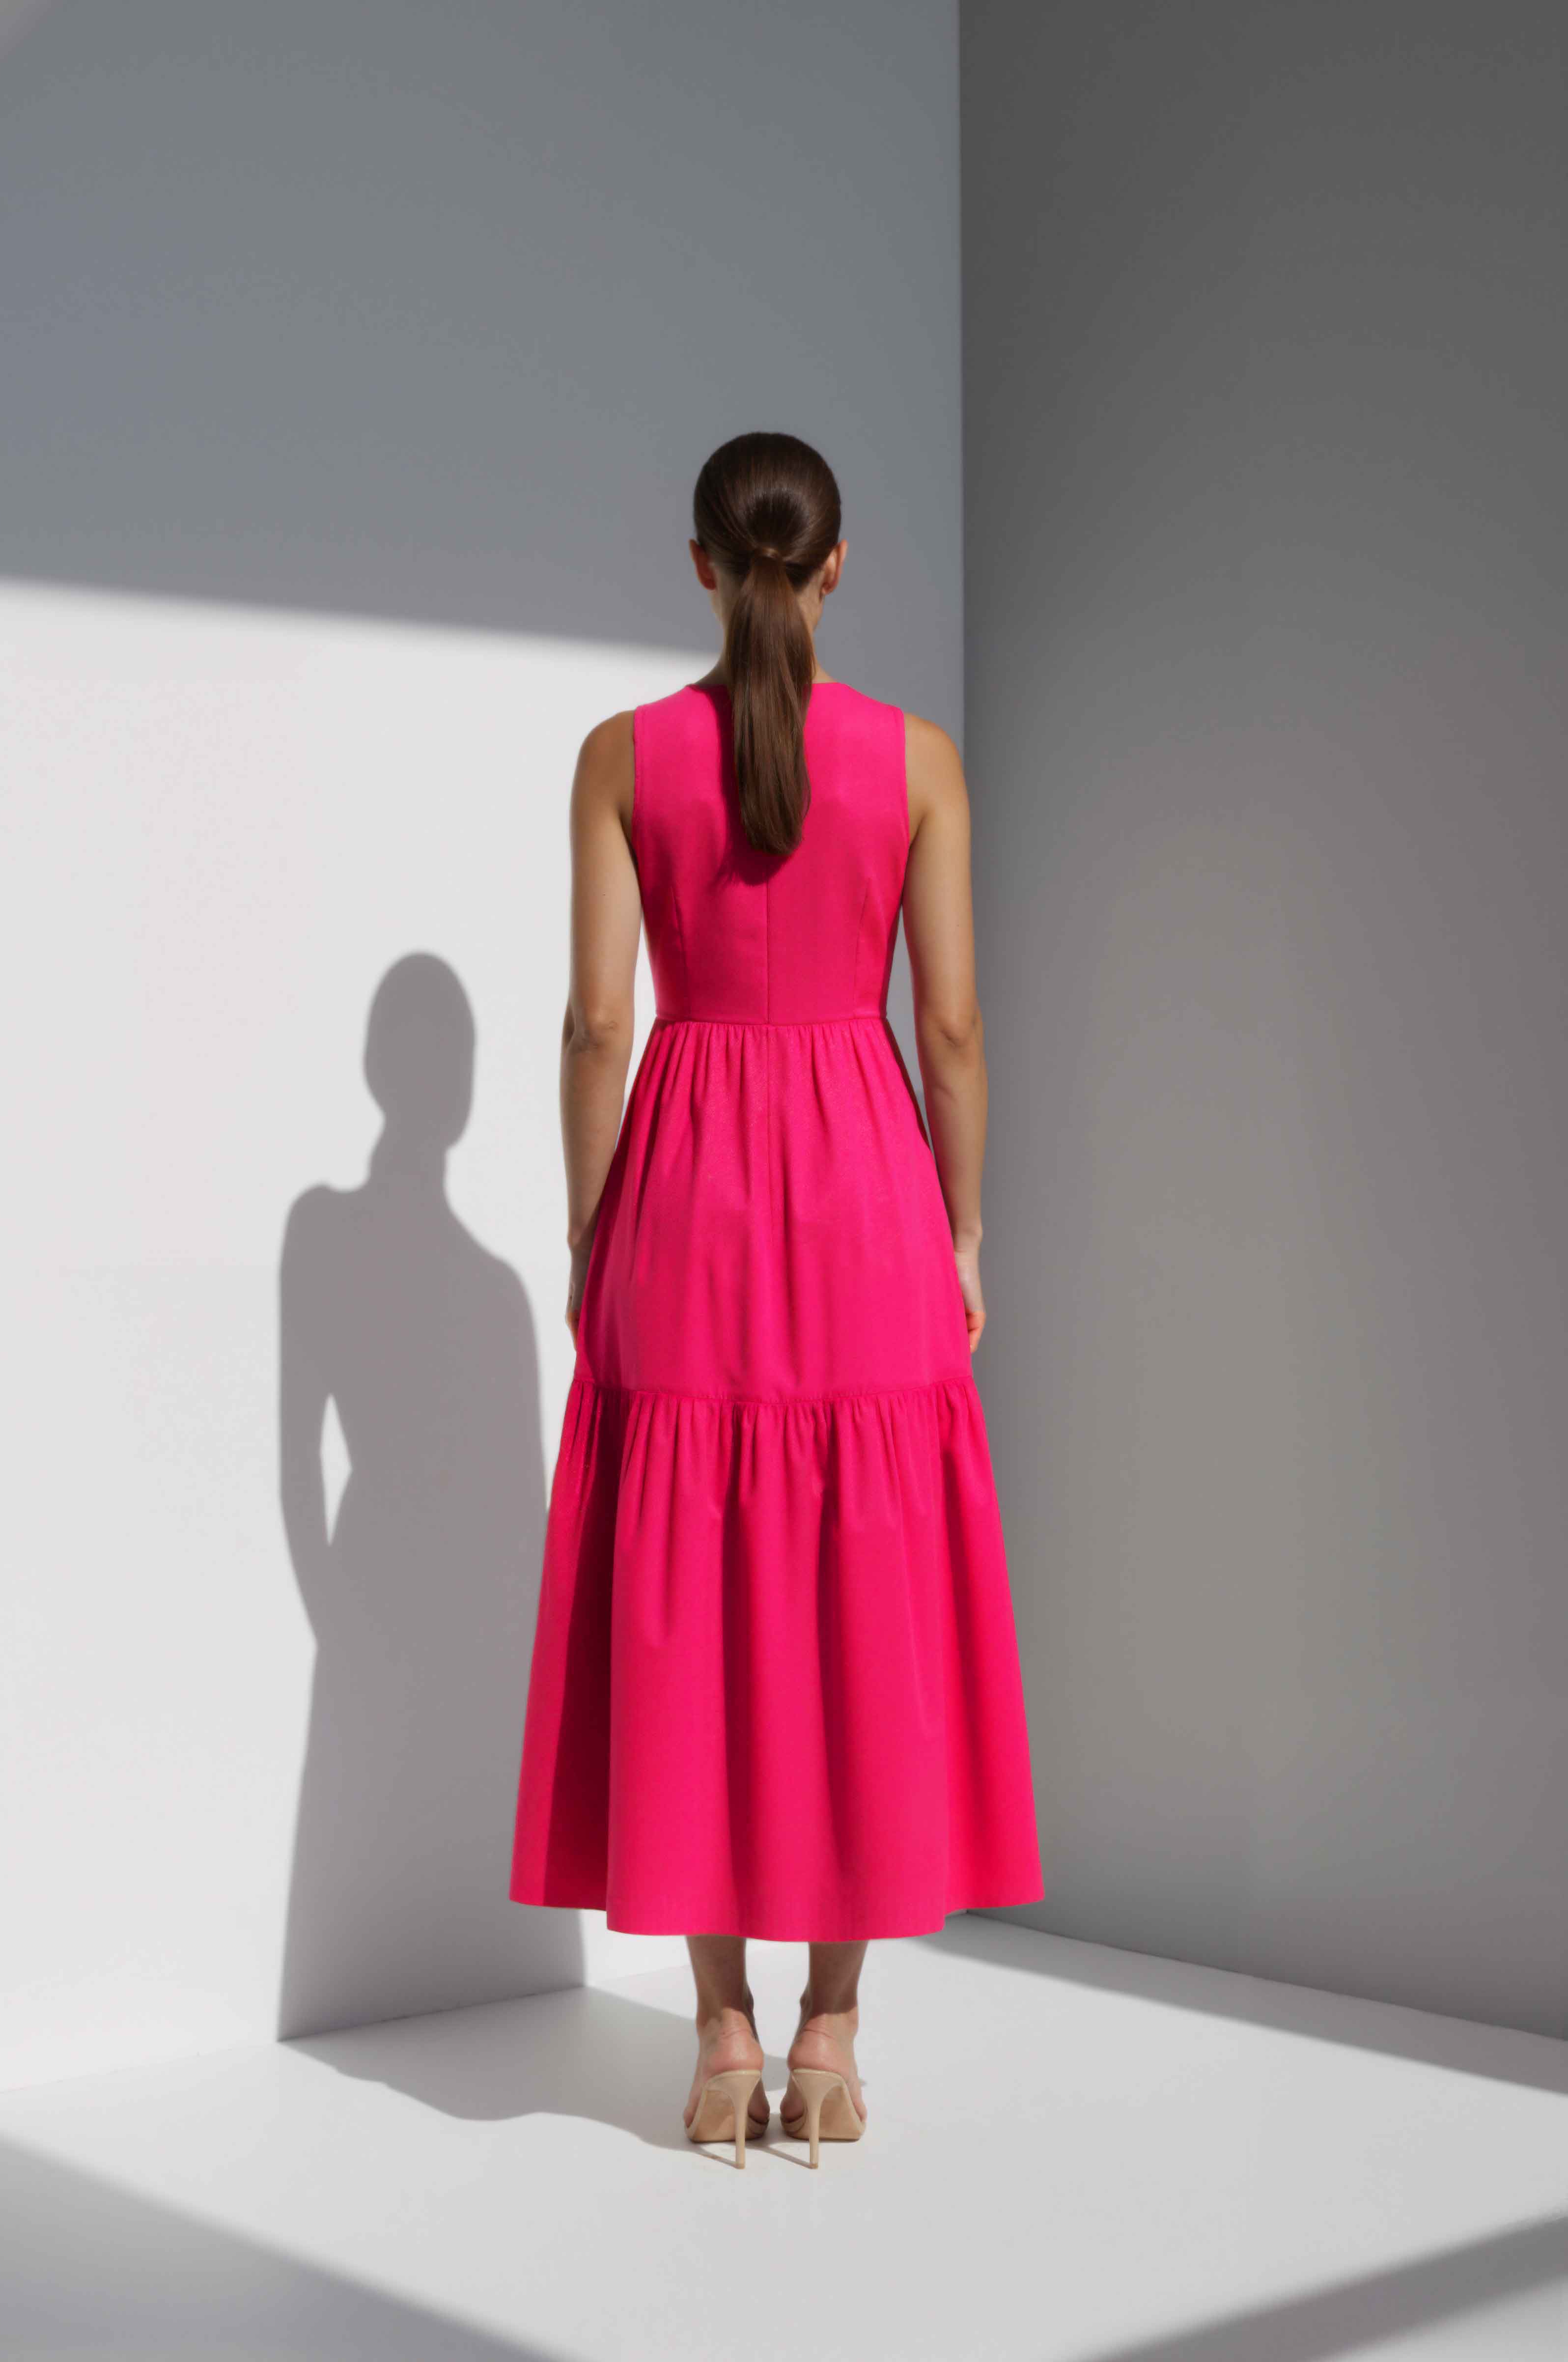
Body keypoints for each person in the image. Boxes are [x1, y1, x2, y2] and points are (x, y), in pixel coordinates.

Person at [509, 430, 1043, 2169]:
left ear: (698, 567)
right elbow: (950, 1031)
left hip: (688, 1195)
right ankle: (835, 2031)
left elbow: (600, 1027)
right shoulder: (922, 762)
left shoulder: (619, 758)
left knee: (692, 1597)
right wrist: (964, 1233)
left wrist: (599, 1237)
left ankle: (720, 2034)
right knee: (857, 1596)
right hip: (870, 1194)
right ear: (833, 568)